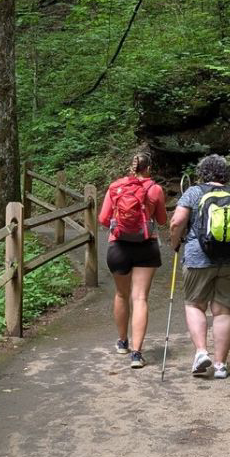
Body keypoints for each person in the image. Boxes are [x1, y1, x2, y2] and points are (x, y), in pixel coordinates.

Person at [167, 153, 230, 380]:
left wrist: (175, 243)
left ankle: (200, 353)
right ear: (226, 173)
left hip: (198, 259)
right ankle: (220, 365)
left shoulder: (194, 192)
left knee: (195, 305)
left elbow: (177, 222)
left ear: (202, 173)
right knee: (223, 311)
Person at [98, 151, 168, 370]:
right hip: (146, 246)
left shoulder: (115, 187)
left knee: (121, 294)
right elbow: (162, 220)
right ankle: (137, 354)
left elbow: (102, 219)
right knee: (140, 298)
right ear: (148, 168)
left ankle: (122, 342)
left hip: (118, 246)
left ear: (131, 166)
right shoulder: (155, 189)